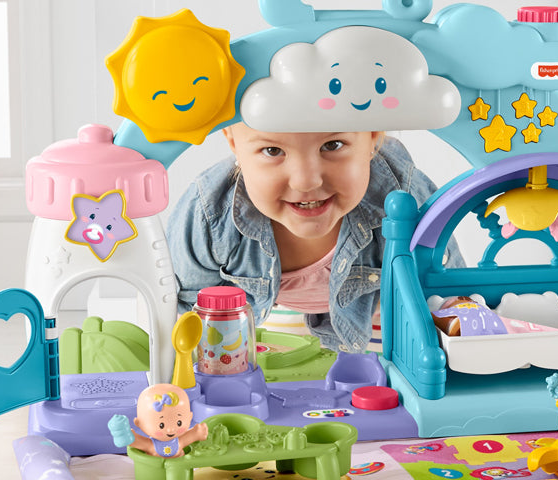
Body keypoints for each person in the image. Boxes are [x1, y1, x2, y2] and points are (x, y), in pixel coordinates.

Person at [167, 124, 462, 353]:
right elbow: (188, 307)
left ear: (373, 135)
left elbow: (449, 291)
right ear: (233, 141)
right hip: (264, 316)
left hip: (380, 312)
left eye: (332, 145)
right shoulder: (210, 212)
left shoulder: (406, 199)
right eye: (272, 150)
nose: (306, 181)